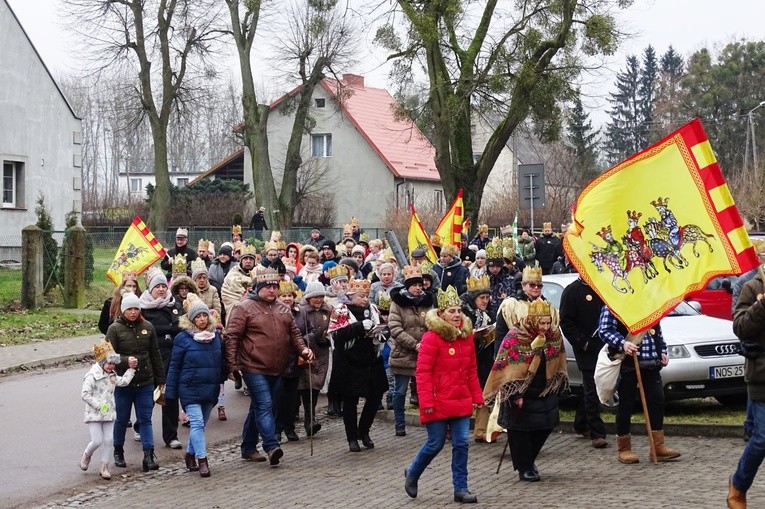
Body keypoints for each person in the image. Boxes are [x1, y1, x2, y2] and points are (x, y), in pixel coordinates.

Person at [224, 268, 315, 466]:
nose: (272, 290)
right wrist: (232, 365)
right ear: (258, 288)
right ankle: (271, 445)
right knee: (265, 405)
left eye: (275, 287)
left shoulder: (283, 308)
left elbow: (295, 335)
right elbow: (232, 337)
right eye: (268, 287)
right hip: (253, 365)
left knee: (259, 407)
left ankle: (248, 448)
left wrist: (304, 351)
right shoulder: (244, 307)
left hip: (278, 366)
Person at [403, 285, 484, 504]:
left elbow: (471, 370)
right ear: (441, 314)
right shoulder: (432, 338)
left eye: (458, 310)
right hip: (437, 400)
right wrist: (426, 400)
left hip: (460, 400)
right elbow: (423, 372)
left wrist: (477, 396)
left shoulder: (466, 337)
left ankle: (461, 488)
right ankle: (413, 472)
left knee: (461, 443)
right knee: (435, 443)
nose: (456, 315)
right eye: (451, 311)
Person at [482, 299, 567, 482]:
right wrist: (515, 394)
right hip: (520, 391)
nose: (545, 327)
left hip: (545, 390)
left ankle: (528, 461)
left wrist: (557, 384)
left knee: (545, 426)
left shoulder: (553, 335)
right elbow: (506, 366)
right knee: (520, 432)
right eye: (541, 323)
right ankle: (524, 466)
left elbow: (559, 358)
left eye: (547, 322)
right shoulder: (516, 336)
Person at [598, 306, 680, 464]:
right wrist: (623, 343)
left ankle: (658, 446)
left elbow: (657, 330)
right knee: (627, 405)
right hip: (628, 364)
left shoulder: (648, 301)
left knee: (657, 401)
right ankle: (624, 448)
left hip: (651, 363)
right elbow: (604, 330)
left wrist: (662, 350)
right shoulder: (613, 303)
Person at [165, 296, 226, 478]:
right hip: (189, 388)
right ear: (191, 319)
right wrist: (171, 392)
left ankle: (190, 454)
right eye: (198, 316)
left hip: (210, 388)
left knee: (200, 426)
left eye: (204, 316)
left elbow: (220, 363)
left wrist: (224, 377)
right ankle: (202, 460)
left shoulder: (215, 337)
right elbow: (175, 366)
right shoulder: (182, 339)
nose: (202, 319)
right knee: (197, 423)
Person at [106, 291, 165, 472]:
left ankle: (148, 454)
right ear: (123, 310)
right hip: (124, 383)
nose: (133, 312)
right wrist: (125, 361)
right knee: (122, 420)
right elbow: (107, 356)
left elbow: (155, 354)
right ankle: (118, 450)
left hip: (145, 382)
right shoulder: (114, 329)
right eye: (129, 309)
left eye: (136, 309)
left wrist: (160, 380)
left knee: (145, 419)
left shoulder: (148, 327)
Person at [330, 278, 387, 452]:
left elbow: (385, 328)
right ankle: (352, 437)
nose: (365, 299)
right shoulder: (341, 310)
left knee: (376, 396)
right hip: (349, 361)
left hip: (371, 359)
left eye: (367, 296)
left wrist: (381, 332)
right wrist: (359, 327)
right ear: (351, 295)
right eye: (361, 296)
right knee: (350, 401)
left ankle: (364, 431)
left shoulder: (373, 309)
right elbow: (337, 336)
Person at [728, 265, 765, 507]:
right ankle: (738, 486)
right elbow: (740, 328)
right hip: (762, 377)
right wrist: (762, 306)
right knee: (762, 438)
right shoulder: (752, 287)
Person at [559, 277, 607, 448]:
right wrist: (583, 342)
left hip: (606, 346)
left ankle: (580, 423)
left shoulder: (604, 286)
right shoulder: (572, 291)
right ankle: (597, 432)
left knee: (597, 387)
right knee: (592, 388)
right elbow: (565, 321)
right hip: (587, 348)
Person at [80, 340, 137, 480]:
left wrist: (131, 370)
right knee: (97, 440)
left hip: (109, 412)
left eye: (113, 364)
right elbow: (85, 394)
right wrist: (98, 405)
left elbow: (122, 382)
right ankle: (87, 454)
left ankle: (105, 465)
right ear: (101, 363)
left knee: (109, 439)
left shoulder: (112, 375)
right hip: (94, 413)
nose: (111, 366)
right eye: (109, 363)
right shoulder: (92, 376)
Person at [388, 266, 434, 437]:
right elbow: (395, 328)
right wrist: (414, 344)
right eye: (414, 285)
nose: (418, 288)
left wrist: (427, 342)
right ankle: (399, 423)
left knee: (425, 391)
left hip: (425, 353)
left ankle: (430, 424)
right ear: (407, 286)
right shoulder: (398, 303)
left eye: (420, 285)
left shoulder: (427, 302)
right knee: (400, 391)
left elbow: (433, 323)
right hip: (404, 353)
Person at [140, 272, 183, 450]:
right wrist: (168, 329)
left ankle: (171, 435)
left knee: (170, 396)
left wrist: (168, 330)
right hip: (151, 358)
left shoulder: (174, 304)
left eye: (163, 286)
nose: (161, 289)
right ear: (151, 289)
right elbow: (148, 330)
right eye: (157, 286)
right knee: (148, 396)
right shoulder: (143, 308)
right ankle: (140, 428)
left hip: (172, 357)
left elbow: (181, 325)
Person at [460, 275, 495, 442]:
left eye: (488, 298)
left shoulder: (488, 313)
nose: (485, 301)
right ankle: (454, 428)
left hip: (484, 360)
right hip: (465, 359)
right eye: (482, 298)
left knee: (484, 393)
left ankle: (481, 431)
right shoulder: (462, 313)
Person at [299, 281, 332, 436]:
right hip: (307, 352)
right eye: (315, 297)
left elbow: (335, 328)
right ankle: (309, 419)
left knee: (316, 385)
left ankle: (310, 418)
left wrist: (328, 340)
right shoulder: (302, 311)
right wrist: (308, 340)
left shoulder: (329, 310)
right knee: (307, 385)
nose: (318, 300)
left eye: (321, 296)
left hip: (322, 352)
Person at [274, 281, 307, 442]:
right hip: (279, 360)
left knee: (292, 398)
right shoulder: (274, 311)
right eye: (283, 296)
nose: (287, 299)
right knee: (278, 398)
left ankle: (290, 427)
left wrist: (304, 345)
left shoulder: (300, 312)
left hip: (296, 360)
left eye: (289, 295)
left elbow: (309, 331)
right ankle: (277, 429)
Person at [220, 245, 257, 324]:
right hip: (236, 305)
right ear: (241, 261)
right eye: (245, 259)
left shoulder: (260, 271)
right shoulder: (233, 273)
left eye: (251, 259)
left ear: (254, 261)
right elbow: (228, 292)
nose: (248, 261)